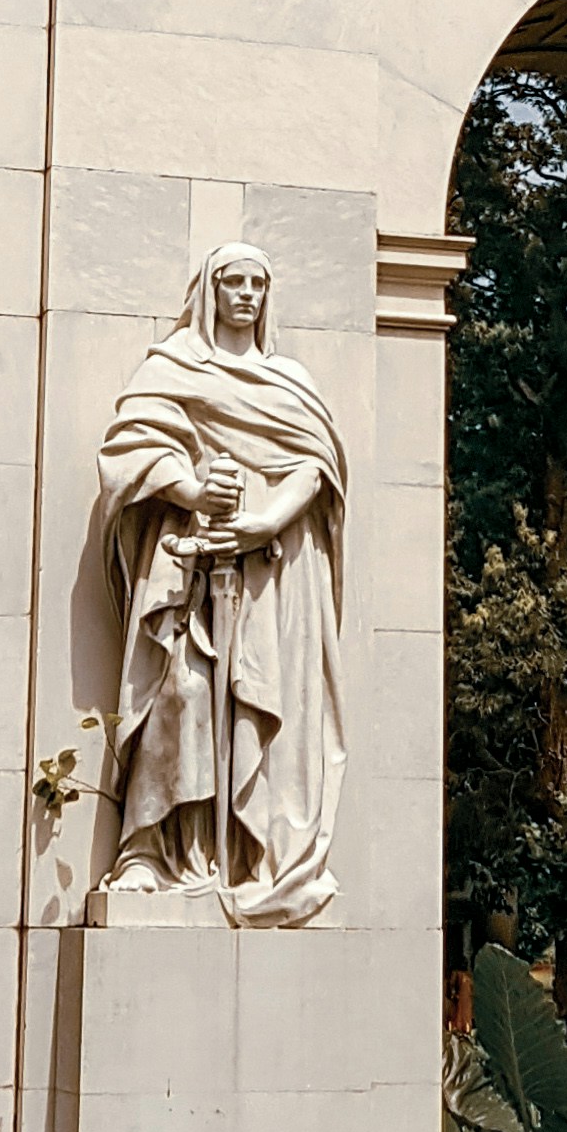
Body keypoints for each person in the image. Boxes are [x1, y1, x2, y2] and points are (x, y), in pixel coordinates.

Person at [95, 244, 348, 927]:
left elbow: (317, 464)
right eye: (233, 282)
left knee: (258, 709)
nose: (246, 294)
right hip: (186, 571)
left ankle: (248, 857)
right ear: (209, 290)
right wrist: (193, 489)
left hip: (271, 578)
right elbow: (130, 448)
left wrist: (263, 520)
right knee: (179, 696)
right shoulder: (171, 367)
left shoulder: (290, 380)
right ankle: (154, 850)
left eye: (258, 283)